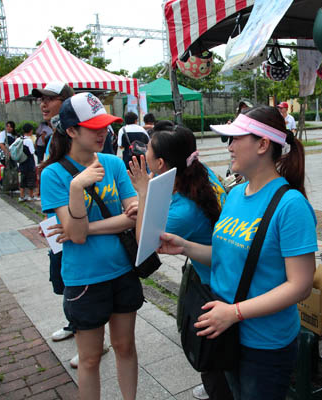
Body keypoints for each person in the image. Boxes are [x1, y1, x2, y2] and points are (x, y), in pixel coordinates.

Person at [158, 106, 317, 400]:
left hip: (264, 344)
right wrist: (185, 246)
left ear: (262, 144)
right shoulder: (235, 195)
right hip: (226, 334)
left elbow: (301, 285)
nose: (229, 147)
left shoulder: (290, 205)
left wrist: (234, 313)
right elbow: (222, 255)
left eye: (235, 139)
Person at [40, 92, 143, 400]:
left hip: (123, 269)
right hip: (84, 278)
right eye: (94, 127)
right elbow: (77, 235)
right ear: (71, 130)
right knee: (89, 357)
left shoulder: (112, 163)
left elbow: (131, 218)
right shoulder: (54, 174)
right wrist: (77, 186)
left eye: (106, 126)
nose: (104, 133)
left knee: (125, 346)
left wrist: (84, 227)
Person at [126, 122, 231, 400]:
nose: (143, 150)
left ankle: (217, 387)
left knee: (212, 346)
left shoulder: (184, 210)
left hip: (214, 281)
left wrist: (143, 192)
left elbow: (145, 243)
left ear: (159, 163)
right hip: (222, 267)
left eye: (147, 147)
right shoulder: (198, 172)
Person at [32, 82, 81, 363]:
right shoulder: (54, 133)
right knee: (63, 280)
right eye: (41, 99)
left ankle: (90, 338)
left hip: (75, 224)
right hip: (58, 225)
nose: (43, 103)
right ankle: (77, 327)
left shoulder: (77, 135)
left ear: (65, 101)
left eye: (50, 99)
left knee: (76, 283)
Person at [18, 123, 39, 202]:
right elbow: (32, 152)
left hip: (22, 162)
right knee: (31, 180)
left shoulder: (19, 139)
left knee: (22, 180)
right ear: (30, 131)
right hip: (29, 163)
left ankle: (22, 196)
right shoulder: (29, 140)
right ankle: (31, 195)